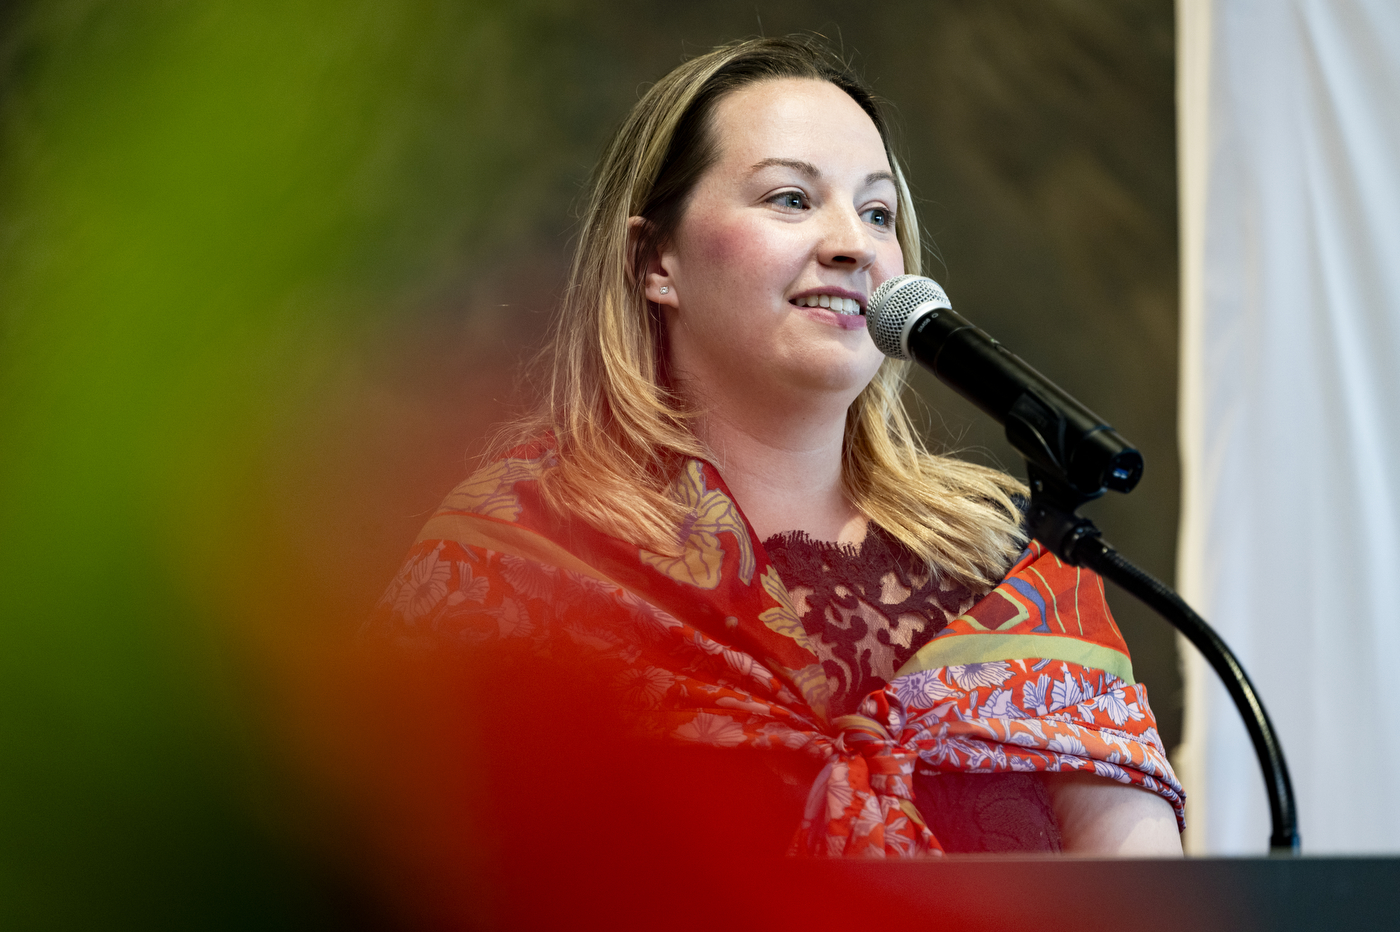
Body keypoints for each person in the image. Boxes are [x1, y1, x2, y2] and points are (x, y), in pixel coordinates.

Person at [372, 35, 1183, 859]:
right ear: (654, 260)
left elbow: (1144, 900)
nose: (853, 245)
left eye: (877, 213)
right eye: (791, 199)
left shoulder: (1015, 569)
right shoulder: (521, 555)